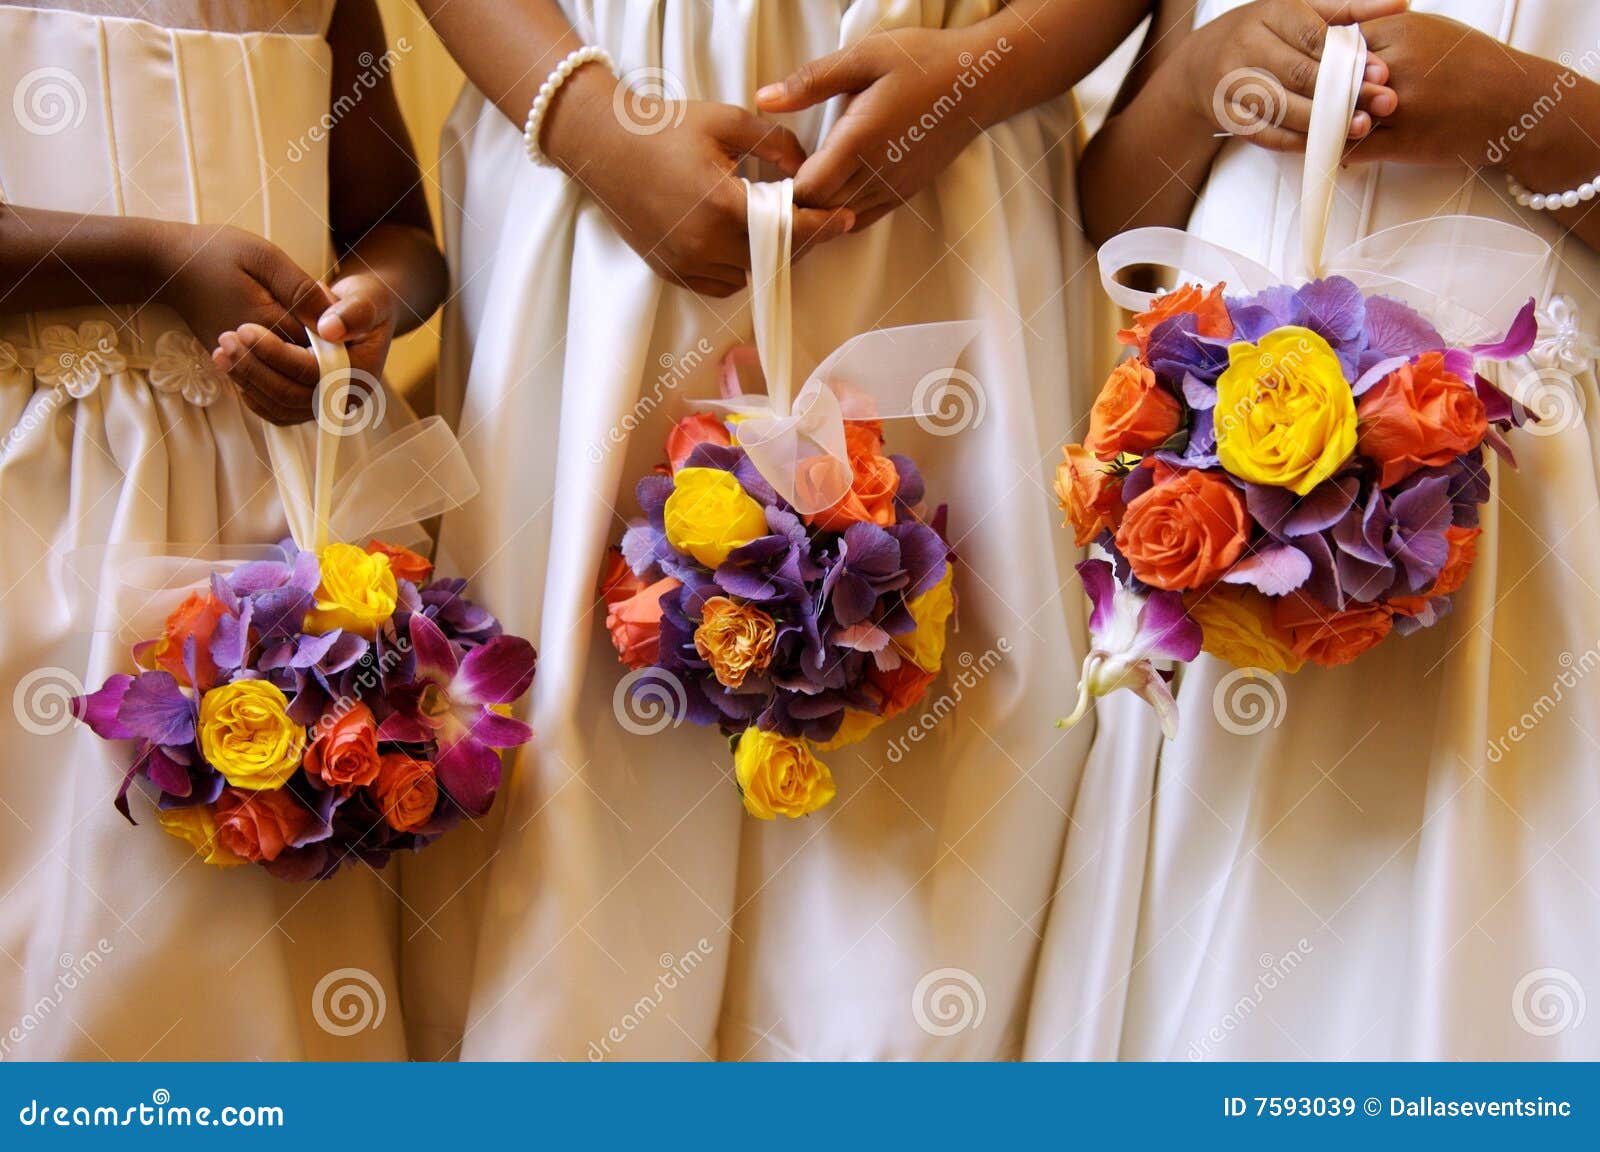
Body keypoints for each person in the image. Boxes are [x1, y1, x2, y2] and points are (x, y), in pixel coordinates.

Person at [409, 0, 1153, 1059]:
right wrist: (580, 114)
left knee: (945, 712)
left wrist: (986, 68)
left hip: (947, 143)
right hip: (600, 140)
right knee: (574, 715)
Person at [1034, 0, 1600, 1058]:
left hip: (1531, 513)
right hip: (1224, 494)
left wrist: (1524, 109)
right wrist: (1204, 76)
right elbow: (1111, 207)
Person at [0, 0, 446, 1057]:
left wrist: (369, 303)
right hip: (38, 486)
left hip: (271, 501)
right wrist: (157, 263)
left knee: (256, 934)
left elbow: (399, 226)